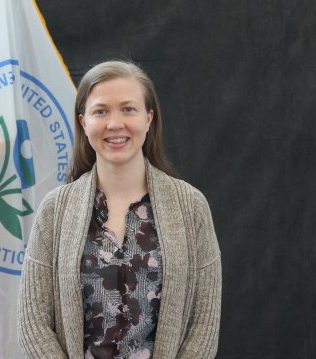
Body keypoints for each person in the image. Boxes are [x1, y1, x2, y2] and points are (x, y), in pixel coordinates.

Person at [17, 61, 222, 359]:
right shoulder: (54, 212)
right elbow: (32, 324)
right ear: (83, 122)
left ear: (149, 118)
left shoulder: (190, 208)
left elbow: (204, 325)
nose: (115, 124)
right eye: (101, 111)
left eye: (128, 109)